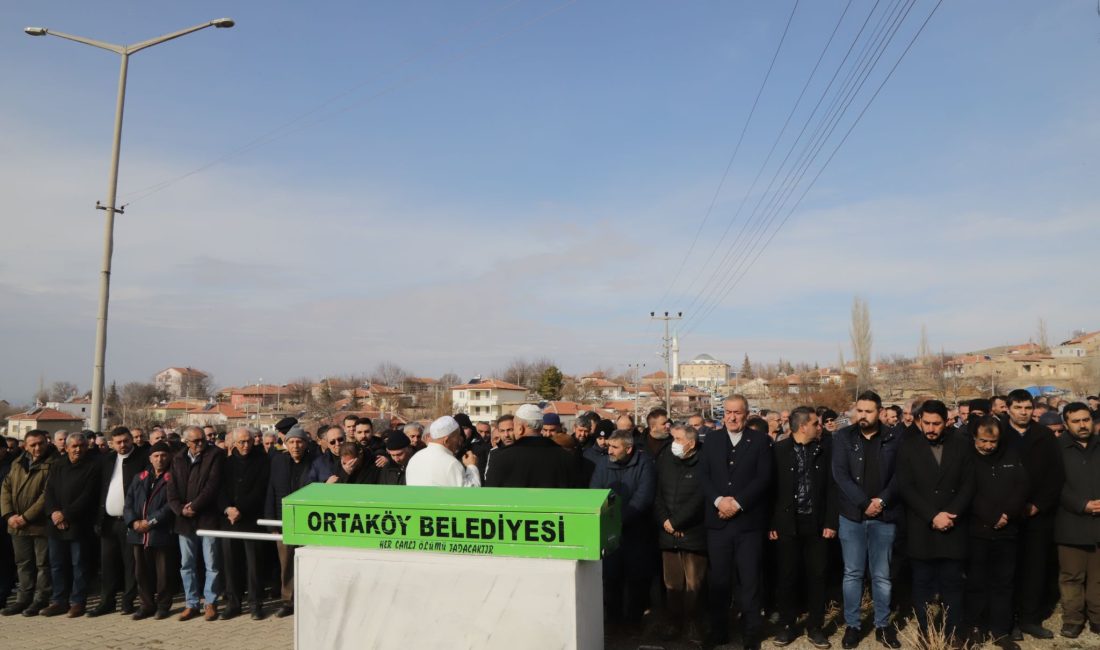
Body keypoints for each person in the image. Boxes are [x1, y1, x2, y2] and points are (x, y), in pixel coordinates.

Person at [698, 395, 774, 650]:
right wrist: (720, 501)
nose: (732, 417)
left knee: (750, 579)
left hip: (748, 523)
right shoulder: (712, 439)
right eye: (728, 412)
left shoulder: (761, 441)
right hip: (718, 524)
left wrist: (737, 504)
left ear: (746, 414)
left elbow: (764, 478)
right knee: (719, 580)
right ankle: (719, 630)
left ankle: (752, 632)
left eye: (737, 413)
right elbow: (704, 476)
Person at [897, 400, 974, 643]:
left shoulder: (962, 445)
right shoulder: (907, 447)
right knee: (922, 584)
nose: (931, 428)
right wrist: (933, 515)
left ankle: (952, 632)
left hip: (953, 526)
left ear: (946, 422)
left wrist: (951, 514)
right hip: (922, 527)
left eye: (936, 424)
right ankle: (926, 631)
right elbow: (906, 487)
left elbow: (968, 484)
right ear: (919, 421)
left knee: (953, 583)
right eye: (926, 423)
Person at [832, 391, 902, 649]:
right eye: (859, 410)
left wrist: (881, 501)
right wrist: (864, 503)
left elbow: (900, 475)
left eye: (868, 411)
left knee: (882, 575)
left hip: (885, 516)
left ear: (880, 412)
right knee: (852, 573)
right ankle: (853, 625)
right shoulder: (843, 436)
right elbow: (840, 474)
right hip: (851, 515)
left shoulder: (895, 437)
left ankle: (883, 626)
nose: (862, 416)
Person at [769, 407, 836, 649]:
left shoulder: (824, 451)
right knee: (787, 575)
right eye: (815, 424)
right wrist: (772, 523)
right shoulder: (778, 451)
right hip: (787, 523)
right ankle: (787, 624)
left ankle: (815, 626)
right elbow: (771, 490)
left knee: (817, 575)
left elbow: (831, 489)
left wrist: (830, 522)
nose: (820, 427)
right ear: (802, 426)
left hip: (816, 524)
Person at [1000, 389, 1064, 640]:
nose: (1023, 412)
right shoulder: (999, 434)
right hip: (1006, 515)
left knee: (1035, 568)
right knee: (1008, 570)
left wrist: (1039, 504)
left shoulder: (1044, 437)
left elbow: (1055, 475)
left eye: (1027, 408)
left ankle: (1030, 619)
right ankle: (1009, 620)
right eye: (1018, 408)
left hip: (1038, 514)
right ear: (1008, 409)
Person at [966, 416, 1029, 650]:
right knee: (977, 582)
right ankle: (976, 627)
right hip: (978, 532)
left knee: (1003, 583)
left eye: (993, 441)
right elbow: (968, 491)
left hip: (1007, 531)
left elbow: (1022, 486)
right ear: (975, 437)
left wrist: (1007, 514)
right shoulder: (967, 458)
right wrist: (993, 517)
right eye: (983, 441)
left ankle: (1000, 630)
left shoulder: (1010, 455)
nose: (988, 446)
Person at [590, 429, 656, 626]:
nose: (609, 450)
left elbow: (643, 497)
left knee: (636, 577)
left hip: (636, 530)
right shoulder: (603, 464)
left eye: (614, 447)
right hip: (610, 532)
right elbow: (595, 492)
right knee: (611, 577)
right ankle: (613, 619)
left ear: (628, 449)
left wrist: (620, 520)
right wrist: (608, 521)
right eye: (609, 445)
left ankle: (634, 620)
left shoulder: (644, 464)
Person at [88, 426, 149, 617]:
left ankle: (128, 602)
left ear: (132, 440)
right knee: (108, 564)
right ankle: (107, 602)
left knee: (130, 565)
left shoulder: (143, 459)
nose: (123, 445)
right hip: (108, 521)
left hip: (131, 522)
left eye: (126, 441)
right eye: (118, 442)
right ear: (112, 444)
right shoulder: (106, 461)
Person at [653, 423, 706, 642]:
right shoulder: (666, 459)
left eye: (677, 439)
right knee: (672, 584)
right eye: (672, 439)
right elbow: (658, 494)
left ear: (691, 443)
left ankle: (693, 624)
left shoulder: (704, 462)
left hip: (693, 532)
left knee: (694, 584)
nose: (673, 444)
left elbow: (700, 498)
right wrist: (666, 521)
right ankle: (673, 623)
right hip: (667, 532)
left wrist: (678, 522)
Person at [167, 425, 225, 621]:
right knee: (187, 564)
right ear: (186, 442)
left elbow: (213, 485)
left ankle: (210, 602)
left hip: (207, 517)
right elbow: (172, 487)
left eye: (203, 440)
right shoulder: (177, 458)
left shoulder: (215, 454)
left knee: (212, 563)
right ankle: (191, 603)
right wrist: (179, 509)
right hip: (184, 520)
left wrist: (195, 506)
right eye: (196, 441)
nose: (201, 443)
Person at [40, 433, 100, 618]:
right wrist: (54, 513)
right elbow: (49, 491)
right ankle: (59, 600)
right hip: (55, 524)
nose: (78, 449)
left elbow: (88, 496)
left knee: (79, 565)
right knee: (57, 565)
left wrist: (65, 514)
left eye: (81, 446)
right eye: (74, 446)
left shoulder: (93, 466)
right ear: (66, 448)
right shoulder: (57, 465)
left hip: (78, 523)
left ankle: (77, 602)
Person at [1054, 402, 1100, 639]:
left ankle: (1097, 617)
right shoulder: (1056, 448)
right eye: (1076, 421)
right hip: (1070, 521)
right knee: (1071, 576)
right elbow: (1053, 485)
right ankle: (1072, 619)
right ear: (1066, 424)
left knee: (1098, 576)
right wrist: (1081, 505)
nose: (1082, 425)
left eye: (1086, 419)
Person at [0, 430, 59, 617]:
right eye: (32, 444)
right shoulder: (17, 463)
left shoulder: (54, 463)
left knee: (43, 564)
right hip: (16, 524)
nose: (37, 447)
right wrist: (9, 515)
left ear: (46, 442)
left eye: (40, 443)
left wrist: (26, 517)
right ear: (25, 445)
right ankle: (23, 599)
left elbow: (46, 495)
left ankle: (40, 600)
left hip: (39, 524)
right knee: (23, 563)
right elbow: (6, 488)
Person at [264, 425, 315, 618]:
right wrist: (272, 524)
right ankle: (288, 601)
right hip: (283, 521)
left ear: (305, 444)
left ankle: (308, 599)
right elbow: (270, 491)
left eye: (299, 442)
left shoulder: (314, 462)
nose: (296, 445)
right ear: (286, 444)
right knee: (286, 565)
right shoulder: (277, 462)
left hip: (308, 522)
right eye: (292, 442)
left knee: (308, 563)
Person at [218, 428, 270, 620]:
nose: (245, 445)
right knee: (231, 564)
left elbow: (260, 489)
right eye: (241, 442)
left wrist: (240, 509)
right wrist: (227, 509)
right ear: (234, 444)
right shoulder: (226, 463)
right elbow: (219, 489)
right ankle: (233, 603)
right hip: (229, 521)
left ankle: (255, 603)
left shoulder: (263, 462)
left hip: (251, 520)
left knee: (254, 564)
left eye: (248, 441)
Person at [124, 442, 175, 620]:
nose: (159, 459)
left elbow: (171, 505)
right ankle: (146, 604)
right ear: (150, 458)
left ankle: (163, 605)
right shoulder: (140, 477)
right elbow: (129, 501)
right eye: (156, 456)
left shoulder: (173, 478)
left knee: (163, 573)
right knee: (141, 572)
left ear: (168, 457)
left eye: (163, 455)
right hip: (138, 533)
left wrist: (151, 522)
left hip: (160, 532)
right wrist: (133, 522)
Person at [485, 404, 577, 488]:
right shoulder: (565, 457)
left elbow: (491, 494)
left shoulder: (500, 458)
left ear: (520, 429)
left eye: (514, 426)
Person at [405, 416, 480, 487]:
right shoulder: (451, 463)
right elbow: (470, 495)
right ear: (446, 440)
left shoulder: (415, 458)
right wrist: (472, 467)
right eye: (457, 437)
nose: (459, 441)